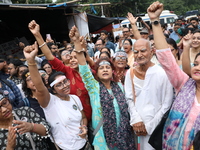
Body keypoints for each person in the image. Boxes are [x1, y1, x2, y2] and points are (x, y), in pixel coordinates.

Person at [70, 26, 136, 150]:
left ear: (112, 71)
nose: (105, 69)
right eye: (101, 68)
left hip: (124, 136)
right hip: (103, 139)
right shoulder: (94, 88)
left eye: (107, 67)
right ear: (97, 72)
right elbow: (84, 68)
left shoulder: (119, 87)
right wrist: (77, 43)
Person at [148, 1, 200, 149]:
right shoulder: (184, 84)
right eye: (195, 64)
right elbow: (166, 58)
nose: (197, 67)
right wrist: (155, 21)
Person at [23, 41, 88, 150]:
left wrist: (84, 127)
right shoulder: (50, 102)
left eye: (65, 81)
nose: (65, 86)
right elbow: (39, 86)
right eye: (59, 84)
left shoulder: (75, 98)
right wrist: (31, 61)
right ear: (53, 89)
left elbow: (84, 117)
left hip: (84, 145)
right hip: (64, 147)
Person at [28, 20, 92, 122]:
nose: (72, 60)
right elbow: (50, 56)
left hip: (97, 117)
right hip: (75, 120)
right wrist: (37, 35)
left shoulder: (91, 73)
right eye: (70, 58)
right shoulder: (67, 71)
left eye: (76, 57)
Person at [124, 37, 173, 149]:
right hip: (137, 128)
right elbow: (129, 99)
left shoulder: (162, 73)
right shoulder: (130, 73)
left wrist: (149, 126)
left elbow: (167, 104)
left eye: (143, 51)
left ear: (151, 52)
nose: (139, 55)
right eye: (136, 52)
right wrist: (136, 120)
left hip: (156, 129)